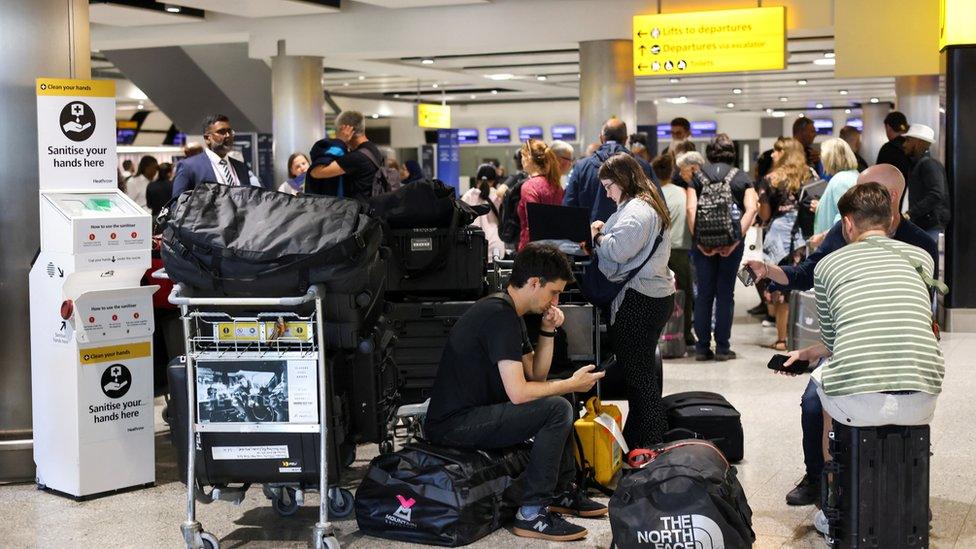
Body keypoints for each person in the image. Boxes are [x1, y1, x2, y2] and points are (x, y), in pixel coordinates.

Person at [744, 164, 937, 507]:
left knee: (829, 394)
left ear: (890, 197)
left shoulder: (916, 244)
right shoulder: (911, 252)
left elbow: (918, 316)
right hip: (917, 379)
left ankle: (835, 496)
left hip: (881, 358)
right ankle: (819, 477)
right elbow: (807, 273)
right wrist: (768, 270)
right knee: (812, 403)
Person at [783, 182, 944, 535]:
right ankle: (913, 501)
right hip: (923, 397)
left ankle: (832, 506)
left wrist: (809, 355)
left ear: (847, 224)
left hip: (858, 403)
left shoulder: (828, 266)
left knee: (822, 383)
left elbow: (835, 342)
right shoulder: (922, 257)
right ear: (890, 220)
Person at [424, 244, 607, 542]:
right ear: (534, 283)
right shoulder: (498, 315)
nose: (555, 301)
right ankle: (531, 512)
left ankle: (560, 492)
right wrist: (570, 384)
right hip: (453, 425)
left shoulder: (509, 312)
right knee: (558, 406)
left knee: (563, 398)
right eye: (554, 292)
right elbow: (520, 393)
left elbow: (537, 376)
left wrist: (547, 331)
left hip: (473, 414)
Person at [591, 154, 674, 448]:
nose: (607, 192)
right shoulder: (644, 205)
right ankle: (640, 441)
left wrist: (599, 235)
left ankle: (651, 443)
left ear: (623, 180)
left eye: (609, 185)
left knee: (640, 380)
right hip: (652, 296)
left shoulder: (638, 210)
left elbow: (617, 251)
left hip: (639, 300)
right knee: (641, 376)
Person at [685, 134, 759, 361]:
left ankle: (702, 347)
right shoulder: (741, 177)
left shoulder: (698, 177)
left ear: (709, 153)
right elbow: (752, 209)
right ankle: (723, 348)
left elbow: (690, 210)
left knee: (705, 293)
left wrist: (699, 241)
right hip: (731, 244)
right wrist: (735, 239)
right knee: (725, 293)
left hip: (702, 245)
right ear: (732, 153)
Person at [759, 137, 813, 351]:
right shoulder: (811, 175)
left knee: (781, 288)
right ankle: (801, 336)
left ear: (786, 153)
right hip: (804, 237)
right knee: (801, 285)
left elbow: (765, 214)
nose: (773, 154)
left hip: (779, 238)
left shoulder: (771, 179)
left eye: (777, 150)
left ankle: (782, 339)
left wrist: (760, 202)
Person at [563, 117, 659, 223]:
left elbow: (568, 208)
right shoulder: (642, 165)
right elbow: (657, 205)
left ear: (601, 138)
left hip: (592, 235)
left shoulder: (581, 167)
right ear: (625, 139)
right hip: (633, 236)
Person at [656, 152, 694, 346]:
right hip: (680, 250)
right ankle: (685, 333)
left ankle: (659, 334)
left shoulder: (653, 194)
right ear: (671, 172)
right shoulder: (683, 192)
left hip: (657, 251)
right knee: (684, 293)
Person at [172, 114, 261, 196]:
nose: (227, 135)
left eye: (229, 131)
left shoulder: (241, 167)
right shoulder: (189, 167)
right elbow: (178, 205)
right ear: (207, 138)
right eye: (221, 132)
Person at [308, 110, 385, 201]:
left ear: (345, 129)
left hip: (359, 212)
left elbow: (316, 172)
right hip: (372, 209)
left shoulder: (356, 157)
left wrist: (340, 141)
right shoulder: (373, 150)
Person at [903, 124, 951, 243]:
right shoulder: (918, 164)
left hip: (929, 224)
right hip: (924, 223)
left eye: (908, 140)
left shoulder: (928, 165)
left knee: (925, 259)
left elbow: (937, 194)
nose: (904, 145)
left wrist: (911, 213)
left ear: (918, 142)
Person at [516, 139, 565, 251]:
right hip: (555, 249)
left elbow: (534, 223)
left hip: (532, 250)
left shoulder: (529, 186)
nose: (521, 160)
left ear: (529, 158)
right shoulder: (556, 186)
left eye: (523, 156)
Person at [813, 138, 860, 235]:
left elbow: (843, 218)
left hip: (834, 245)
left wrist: (821, 237)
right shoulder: (854, 175)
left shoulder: (840, 180)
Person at [462, 163, 505, 260]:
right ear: (494, 180)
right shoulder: (498, 196)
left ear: (477, 179)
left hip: (473, 245)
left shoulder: (469, 195)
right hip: (496, 247)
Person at [876, 111, 912, 184]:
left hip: (895, 191)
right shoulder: (913, 146)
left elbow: (879, 175)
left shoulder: (887, 149)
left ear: (888, 127)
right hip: (913, 190)